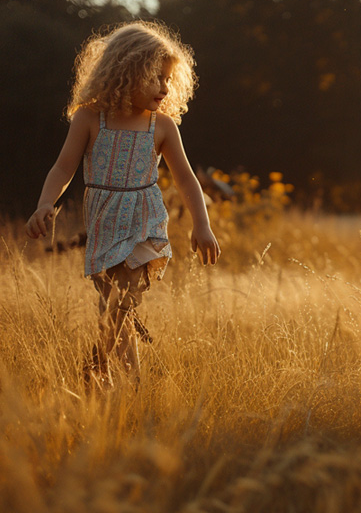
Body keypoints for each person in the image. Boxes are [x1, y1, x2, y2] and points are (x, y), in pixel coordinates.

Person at [26, 21, 220, 388]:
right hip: (104, 224)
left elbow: (186, 179)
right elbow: (63, 167)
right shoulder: (89, 118)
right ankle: (116, 381)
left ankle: (110, 376)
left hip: (144, 222)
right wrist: (44, 204)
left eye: (167, 79)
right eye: (155, 77)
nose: (164, 87)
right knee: (113, 308)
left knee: (122, 300)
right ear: (126, 71)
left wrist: (202, 224)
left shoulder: (161, 126)